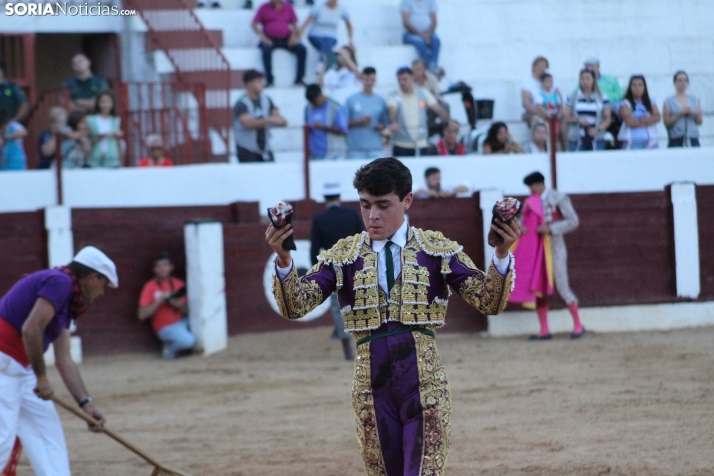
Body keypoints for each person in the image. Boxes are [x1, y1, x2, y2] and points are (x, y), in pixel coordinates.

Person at [266, 157, 518, 476]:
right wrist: (284, 258)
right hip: (371, 392)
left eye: (383, 205)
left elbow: (489, 301)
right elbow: (295, 306)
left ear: (407, 200)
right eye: (365, 204)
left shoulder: (436, 250)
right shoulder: (343, 257)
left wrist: (500, 254)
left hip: (424, 385)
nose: (372, 216)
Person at [0, 246, 118, 475]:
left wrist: (87, 404)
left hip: (21, 369)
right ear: (93, 278)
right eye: (104, 285)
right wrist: (42, 378)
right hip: (3, 363)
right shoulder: (60, 282)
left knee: (47, 433)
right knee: (2, 439)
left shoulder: (68, 301)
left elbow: (64, 360)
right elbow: (31, 329)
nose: (102, 292)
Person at [509, 171, 584, 340]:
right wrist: (520, 227)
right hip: (536, 249)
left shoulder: (558, 198)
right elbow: (522, 222)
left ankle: (579, 325)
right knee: (539, 286)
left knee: (562, 285)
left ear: (538, 185)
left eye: (531, 187)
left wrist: (551, 228)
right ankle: (544, 330)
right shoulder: (530, 202)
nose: (530, 191)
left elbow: (573, 221)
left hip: (555, 247)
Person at [310, 183, 366, 360]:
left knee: (339, 306)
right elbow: (364, 240)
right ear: (339, 197)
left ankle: (347, 348)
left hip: (334, 267)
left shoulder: (319, 218)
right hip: (355, 264)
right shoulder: (351, 214)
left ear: (325, 199)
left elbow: (314, 249)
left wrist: (318, 273)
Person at [138, 252, 195, 360]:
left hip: (182, 321)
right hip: (165, 327)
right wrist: (159, 301)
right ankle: (170, 348)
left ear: (171, 267)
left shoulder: (179, 284)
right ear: (154, 270)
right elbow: (141, 315)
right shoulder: (150, 286)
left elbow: (188, 311)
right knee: (188, 341)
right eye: (158, 266)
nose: (162, 269)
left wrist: (179, 305)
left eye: (165, 265)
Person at [387, 66, 449, 157]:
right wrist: (393, 122)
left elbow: (437, 108)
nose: (402, 83)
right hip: (401, 144)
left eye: (405, 79)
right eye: (399, 80)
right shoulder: (394, 96)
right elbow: (392, 110)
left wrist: (448, 120)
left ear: (412, 78)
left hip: (421, 143)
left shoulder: (422, 93)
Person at [233, 69, 287, 163]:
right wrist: (270, 120)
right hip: (247, 151)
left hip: (265, 149)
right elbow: (248, 124)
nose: (262, 84)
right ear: (249, 84)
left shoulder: (267, 100)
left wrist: (275, 119)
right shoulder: (241, 104)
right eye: (259, 82)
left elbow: (281, 120)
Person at [252, 0, 307, 87]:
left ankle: (299, 78)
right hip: (269, 38)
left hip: (286, 39)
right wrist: (263, 38)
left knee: (302, 49)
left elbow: (295, 23)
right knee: (266, 51)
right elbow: (254, 24)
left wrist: (293, 37)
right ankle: (269, 79)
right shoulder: (264, 7)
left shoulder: (288, 7)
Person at [345, 67, 389, 159]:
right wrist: (359, 122)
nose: (369, 83)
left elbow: (385, 123)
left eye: (372, 80)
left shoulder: (380, 100)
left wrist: (381, 127)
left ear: (375, 81)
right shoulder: (351, 100)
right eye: (366, 80)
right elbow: (344, 124)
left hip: (375, 148)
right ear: (361, 80)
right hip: (356, 149)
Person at [563, 69, 611, 152]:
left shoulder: (602, 97)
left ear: (593, 80)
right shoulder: (572, 97)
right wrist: (578, 119)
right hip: (577, 139)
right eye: (582, 79)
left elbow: (608, 119)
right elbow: (566, 117)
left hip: (596, 139)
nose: (585, 82)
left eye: (588, 78)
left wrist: (597, 129)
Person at [299, 0, 353, 69]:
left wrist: (351, 40)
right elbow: (307, 22)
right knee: (327, 47)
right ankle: (327, 70)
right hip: (316, 36)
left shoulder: (342, 9)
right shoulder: (318, 7)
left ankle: (321, 70)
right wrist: (298, 36)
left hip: (331, 38)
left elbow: (349, 25)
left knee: (326, 46)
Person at [305, 84, 348, 160]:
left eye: (315, 101)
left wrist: (323, 127)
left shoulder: (335, 107)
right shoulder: (308, 108)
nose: (314, 104)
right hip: (314, 153)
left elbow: (343, 130)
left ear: (321, 95)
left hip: (333, 153)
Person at [618, 75, 661, 150]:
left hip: (651, 141)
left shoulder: (651, 101)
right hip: (632, 141)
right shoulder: (625, 103)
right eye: (634, 85)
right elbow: (629, 121)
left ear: (644, 87)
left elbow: (657, 117)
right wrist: (647, 121)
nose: (637, 88)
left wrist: (642, 121)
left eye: (640, 85)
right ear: (630, 87)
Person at [663, 71, 703, 148]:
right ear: (675, 83)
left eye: (685, 80)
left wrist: (693, 112)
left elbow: (700, 121)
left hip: (692, 138)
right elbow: (666, 123)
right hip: (676, 139)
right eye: (680, 80)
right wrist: (679, 113)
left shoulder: (695, 99)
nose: (682, 83)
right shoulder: (668, 101)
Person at [86, 90, 124, 168]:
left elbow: (119, 142)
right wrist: (102, 136)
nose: (105, 105)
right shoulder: (91, 120)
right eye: (103, 102)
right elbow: (88, 140)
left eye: (108, 102)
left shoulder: (116, 120)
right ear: (98, 103)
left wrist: (121, 160)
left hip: (112, 159)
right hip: (95, 159)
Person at [400, 0, 441, 71]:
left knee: (436, 41)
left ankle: (433, 67)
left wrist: (428, 34)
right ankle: (428, 68)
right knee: (420, 42)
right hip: (411, 34)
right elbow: (406, 22)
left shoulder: (431, 1)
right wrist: (421, 35)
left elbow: (434, 21)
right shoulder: (406, 1)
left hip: (429, 33)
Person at [521, 56, 556, 127]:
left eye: (544, 67)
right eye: (540, 66)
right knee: (536, 119)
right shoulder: (527, 82)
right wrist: (541, 113)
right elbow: (526, 103)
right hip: (532, 112)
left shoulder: (548, 81)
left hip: (550, 111)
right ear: (534, 67)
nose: (542, 69)